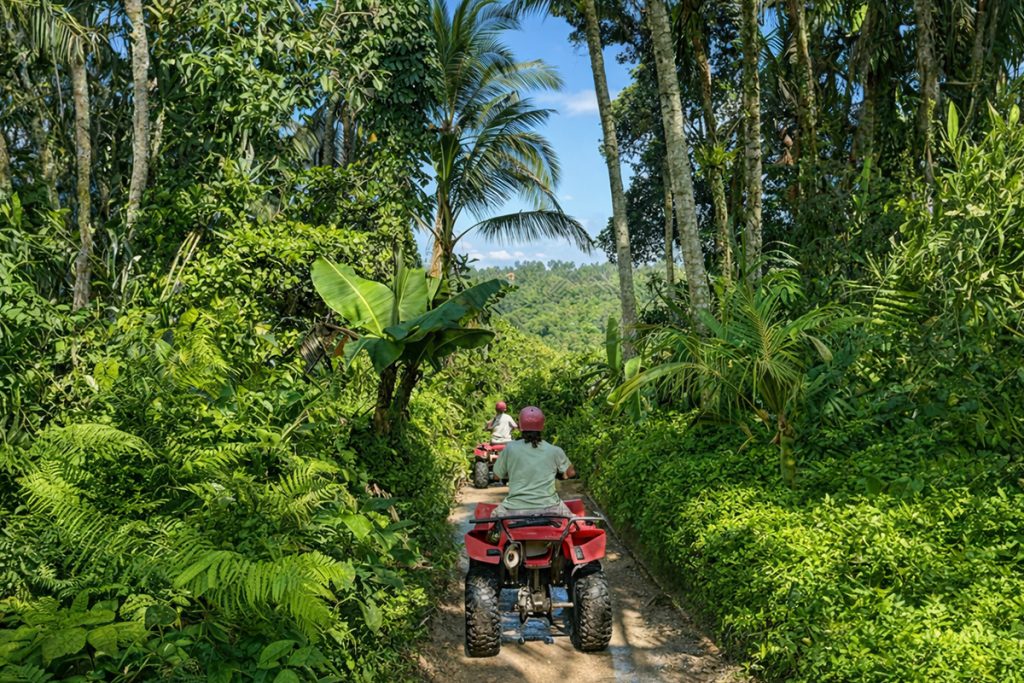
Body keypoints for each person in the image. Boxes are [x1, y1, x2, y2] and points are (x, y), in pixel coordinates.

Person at [492, 406, 576, 519]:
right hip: (551, 507)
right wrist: (561, 475)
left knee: (492, 521)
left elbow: (496, 476)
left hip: (514, 508)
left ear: (520, 426)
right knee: (574, 523)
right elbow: (571, 473)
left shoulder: (509, 448)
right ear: (542, 426)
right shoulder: (555, 450)